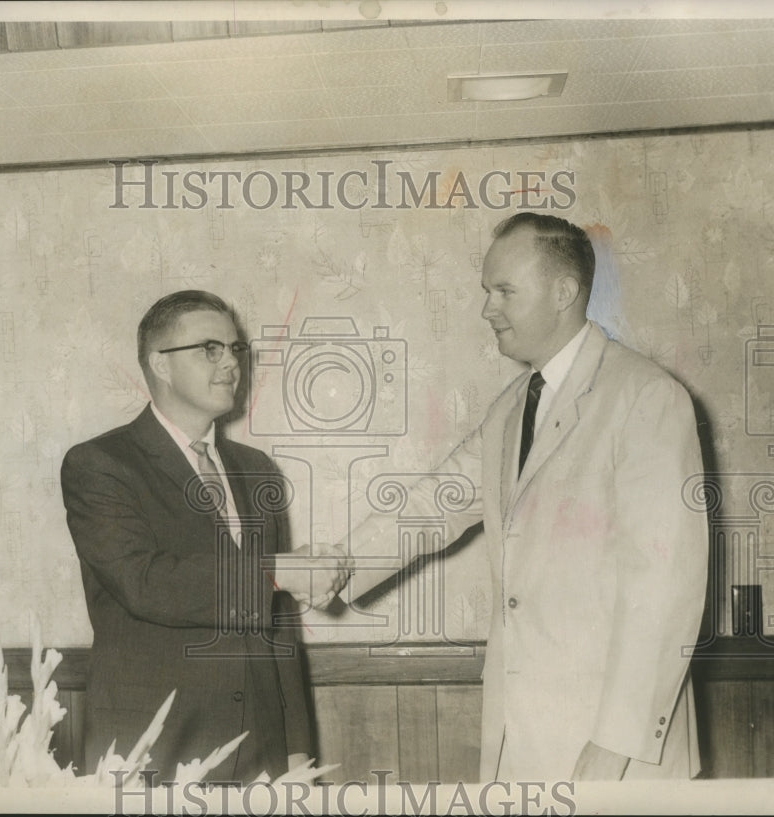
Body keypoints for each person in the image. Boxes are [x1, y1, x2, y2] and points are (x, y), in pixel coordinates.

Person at [283, 213, 709, 782]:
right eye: (487, 291)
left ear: (563, 292)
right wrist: (336, 565)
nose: (487, 308)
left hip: (617, 751)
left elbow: (665, 587)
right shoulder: (510, 408)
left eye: (504, 290)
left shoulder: (647, 398)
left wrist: (615, 746)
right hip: (525, 738)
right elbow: (432, 505)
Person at [61, 290, 319, 781]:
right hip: (156, 744)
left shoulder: (256, 470)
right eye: (210, 348)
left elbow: (278, 621)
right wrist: (273, 572)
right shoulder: (101, 464)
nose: (230, 364)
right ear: (160, 364)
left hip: (261, 746)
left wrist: (296, 747)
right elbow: (144, 581)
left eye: (235, 348)